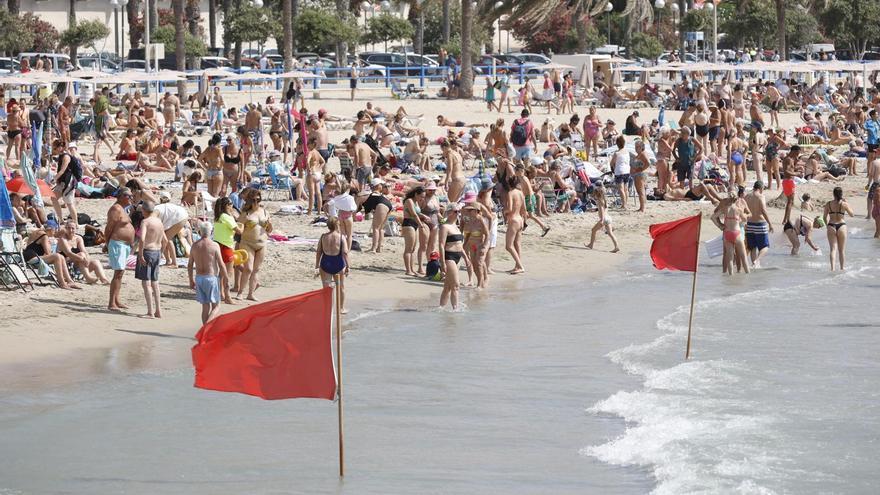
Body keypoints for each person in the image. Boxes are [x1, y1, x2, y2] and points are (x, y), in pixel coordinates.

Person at [21, 222, 81, 290]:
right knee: (57, 256)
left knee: (60, 257)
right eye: (55, 230)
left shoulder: (38, 232)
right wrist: (50, 245)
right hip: (31, 257)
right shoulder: (44, 236)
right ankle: (62, 283)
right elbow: (48, 253)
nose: (55, 233)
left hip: (29, 256)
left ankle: (70, 281)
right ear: (51, 229)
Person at [188, 222, 227, 324]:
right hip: (211, 278)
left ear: (200, 232)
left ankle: (205, 332)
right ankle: (206, 328)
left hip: (199, 278)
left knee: (205, 307)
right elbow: (221, 264)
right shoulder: (214, 245)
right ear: (211, 231)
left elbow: (190, 265)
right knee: (217, 306)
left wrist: (191, 280)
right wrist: (226, 280)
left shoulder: (195, 246)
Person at [237, 189, 271, 300]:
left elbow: (269, 229)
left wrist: (269, 226)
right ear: (249, 200)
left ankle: (250, 294)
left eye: (258, 199)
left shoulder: (265, 212)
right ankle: (240, 292)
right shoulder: (245, 213)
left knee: (256, 270)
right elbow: (238, 229)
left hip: (262, 243)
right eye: (254, 199)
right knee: (248, 269)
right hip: (247, 243)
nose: (256, 202)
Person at [135, 201, 168, 318]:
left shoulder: (145, 222)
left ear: (144, 210)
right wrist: (161, 253)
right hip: (157, 252)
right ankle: (158, 310)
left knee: (146, 283)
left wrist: (140, 254)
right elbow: (166, 240)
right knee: (155, 282)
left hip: (148, 251)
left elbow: (142, 239)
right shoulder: (159, 222)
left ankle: (150, 312)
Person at [104, 188, 135, 311]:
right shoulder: (115, 208)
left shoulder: (124, 209)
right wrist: (107, 243)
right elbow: (109, 227)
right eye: (129, 196)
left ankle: (116, 300)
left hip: (124, 244)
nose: (131, 198)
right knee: (118, 272)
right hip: (117, 243)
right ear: (122, 196)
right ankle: (111, 303)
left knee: (120, 273)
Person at [57, 219, 110, 285]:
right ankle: (88, 278)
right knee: (81, 255)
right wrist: (82, 258)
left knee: (95, 261)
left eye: (73, 228)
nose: (70, 230)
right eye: (68, 228)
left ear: (76, 229)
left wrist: (87, 258)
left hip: (78, 264)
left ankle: (104, 279)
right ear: (65, 229)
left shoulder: (78, 238)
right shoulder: (62, 239)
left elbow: (84, 250)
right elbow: (68, 253)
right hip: (67, 265)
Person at [316, 217, 350, 313]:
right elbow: (345, 253)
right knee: (341, 287)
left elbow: (319, 252)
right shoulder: (341, 237)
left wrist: (317, 266)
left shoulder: (323, 236)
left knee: (326, 288)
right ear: (337, 225)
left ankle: (327, 309)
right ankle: (341, 308)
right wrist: (348, 266)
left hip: (325, 263)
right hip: (338, 264)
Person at [212, 197, 242, 304]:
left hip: (217, 244)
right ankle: (227, 296)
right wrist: (242, 225)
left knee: (221, 272)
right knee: (228, 273)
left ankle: (221, 294)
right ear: (226, 206)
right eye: (230, 204)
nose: (232, 206)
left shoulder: (218, 217)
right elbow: (238, 231)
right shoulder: (226, 217)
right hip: (226, 246)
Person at [713, 195, 749, 275]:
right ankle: (748, 274)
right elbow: (745, 219)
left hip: (727, 233)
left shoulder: (725, 209)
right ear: (736, 200)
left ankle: (730, 276)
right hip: (737, 233)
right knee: (743, 257)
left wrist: (720, 226)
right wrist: (740, 220)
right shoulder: (738, 209)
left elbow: (713, 217)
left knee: (729, 258)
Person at [439, 204, 465, 309]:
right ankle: (456, 309)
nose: (458, 213)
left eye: (459, 211)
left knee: (447, 287)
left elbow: (459, 243)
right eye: (456, 211)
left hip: (458, 256)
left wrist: (466, 259)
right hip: (449, 256)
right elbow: (441, 245)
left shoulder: (456, 226)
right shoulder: (445, 227)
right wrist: (442, 262)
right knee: (456, 285)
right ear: (449, 212)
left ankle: (441, 308)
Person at [154, 192, 190, 267]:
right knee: (165, 239)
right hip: (182, 215)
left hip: (180, 217)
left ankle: (174, 262)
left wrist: (160, 252)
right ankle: (168, 260)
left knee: (167, 239)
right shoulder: (166, 207)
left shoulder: (156, 209)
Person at [822, 186, 854, 271]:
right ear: (841, 194)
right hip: (841, 225)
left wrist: (827, 226)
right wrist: (847, 204)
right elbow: (852, 214)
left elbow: (824, 217)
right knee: (841, 250)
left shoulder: (828, 204)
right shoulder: (844, 204)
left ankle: (832, 268)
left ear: (833, 194)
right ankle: (842, 268)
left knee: (833, 249)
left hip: (831, 225)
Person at [743, 181, 774, 267]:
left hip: (749, 224)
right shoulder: (761, 197)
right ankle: (757, 260)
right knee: (765, 246)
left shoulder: (747, 196)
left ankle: (755, 266)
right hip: (760, 224)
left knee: (753, 247)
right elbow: (763, 210)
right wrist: (770, 224)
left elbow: (743, 210)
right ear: (761, 188)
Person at [51, 141, 82, 223]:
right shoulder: (61, 156)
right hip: (62, 182)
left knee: (69, 203)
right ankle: (61, 219)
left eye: (55, 148)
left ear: (60, 147)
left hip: (69, 182)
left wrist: (54, 179)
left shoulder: (66, 157)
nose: (54, 150)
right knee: (53, 198)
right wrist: (57, 180)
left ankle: (76, 223)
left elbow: (62, 170)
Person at [584, 185, 620, 253]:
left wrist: (602, 220)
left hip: (604, 219)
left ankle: (591, 245)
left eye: (594, 194)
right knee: (610, 233)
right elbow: (604, 209)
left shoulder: (600, 202)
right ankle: (616, 246)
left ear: (597, 194)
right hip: (608, 218)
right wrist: (593, 209)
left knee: (593, 230)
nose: (594, 195)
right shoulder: (603, 200)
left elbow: (602, 211)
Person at [362, 179, 393, 253]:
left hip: (381, 205)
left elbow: (367, 207)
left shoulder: (373, 194)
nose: (382, 186)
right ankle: (379, 248)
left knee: (375, 228)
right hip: (388, 205)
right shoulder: (381, 194)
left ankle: (373, 248)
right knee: (381, 228)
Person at [503, 175, 526, 274]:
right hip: (520, 219)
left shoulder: (510, 193)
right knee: (517, 244)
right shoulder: (521, 193)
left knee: (509, 246)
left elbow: (510, 209)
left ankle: (520, 266)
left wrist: (504, 211)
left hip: (514, 220)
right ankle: (517, 266)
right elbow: (524, 209)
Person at [402, 186, 426, 276]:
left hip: (414, 223)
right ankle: (408, 270)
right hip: (408, 223)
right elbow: (414, 214)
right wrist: (421, 225)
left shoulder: (415, 202)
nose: (422, 198)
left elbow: (417, 212)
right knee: (409, 248)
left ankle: (412, 269)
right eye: (421, 196)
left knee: (413, 249)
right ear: (416, 194)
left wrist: (424, 216)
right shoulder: (409, 201)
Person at [611, 136, 631, 209]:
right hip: (627, 171)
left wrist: (613, 168)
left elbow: (612, 163)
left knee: (621, 189)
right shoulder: (627, 152)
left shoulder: (617, 153)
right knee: (626, 189)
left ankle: (624, 205)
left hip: (619, 171)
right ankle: (626, 203)